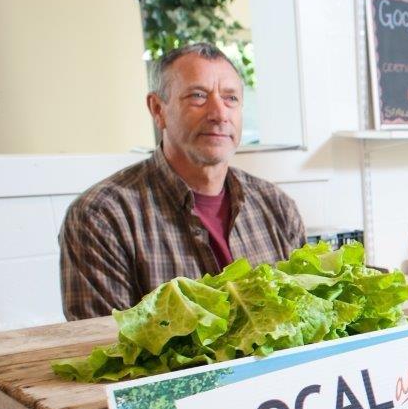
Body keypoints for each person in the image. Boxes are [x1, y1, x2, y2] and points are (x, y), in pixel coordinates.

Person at [59, 42, 306, 320]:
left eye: (231, 98)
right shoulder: (101, 217)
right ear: (157, 109)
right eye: (198, 96)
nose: (219, 113)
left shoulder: (278, 208)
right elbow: (105, 349)